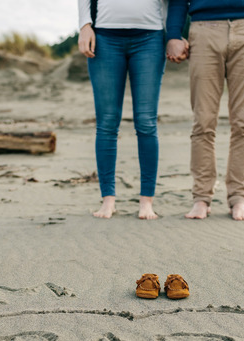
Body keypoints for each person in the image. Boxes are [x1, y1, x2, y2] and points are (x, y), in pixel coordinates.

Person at [166, 0, 244, 221]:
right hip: (203, 30)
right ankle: (201, 198)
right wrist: (173, 34)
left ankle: (239, 198)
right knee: (203, 121)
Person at [78, 0, 183, 219]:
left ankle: (146, 201)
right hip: (105, 37)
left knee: (146, 122)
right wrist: (84, 25)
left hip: (150, 38)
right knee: (107, 122)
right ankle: (108, 200)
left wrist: (174, 34)